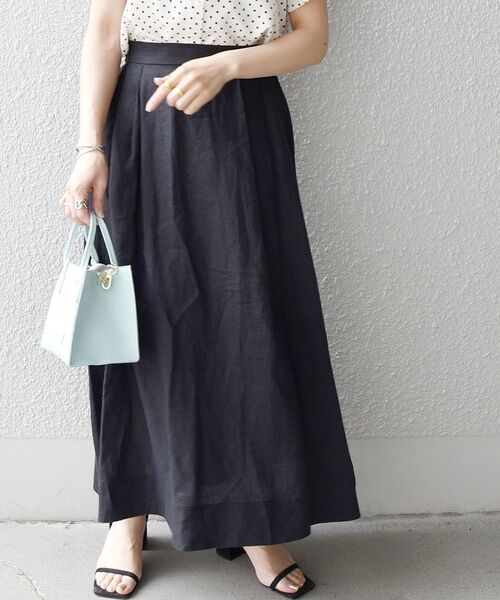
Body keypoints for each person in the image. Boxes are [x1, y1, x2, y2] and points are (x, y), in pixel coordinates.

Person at [59, 0, 361, 597]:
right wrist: (90, 149)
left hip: (245, 125)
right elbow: (103, 33)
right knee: (142, 322)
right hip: (144, 128)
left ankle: (252, 518)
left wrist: (227, 65)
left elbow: (312, 40)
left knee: (246, 321)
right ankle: (129, 515)